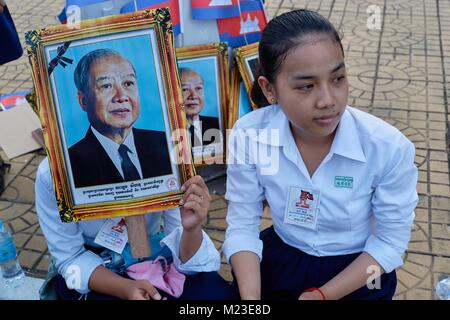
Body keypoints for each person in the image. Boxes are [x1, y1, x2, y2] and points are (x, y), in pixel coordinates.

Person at [223, 9, 418, 300]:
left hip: (359, 273)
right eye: (306, 86)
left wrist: (322, 295)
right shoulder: (250, 135)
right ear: (269, 89)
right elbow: (242, 224)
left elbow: (389, 243)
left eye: (338, 79)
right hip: (281, 259)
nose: (328, 101)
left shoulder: (387, 148)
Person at [36, 158, 238, 300]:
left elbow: (178, 237)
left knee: (217, 294)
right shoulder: (54, 174)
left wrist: (192, 229)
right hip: (98, 264)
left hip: (154, 254)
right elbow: (70, 258)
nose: (119, 97)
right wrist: (126, 289)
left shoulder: (169, 153)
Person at [68, 48, 172, 188]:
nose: (121, 96)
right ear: (83, 101)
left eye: (128, 83)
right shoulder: (68, 165)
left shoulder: (167, 144)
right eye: (106, 86)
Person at [179, 67, 220, 148]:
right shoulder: (162, 131)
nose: (194, 95)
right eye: (185, 89)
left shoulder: (218, 125)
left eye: (198, 88)